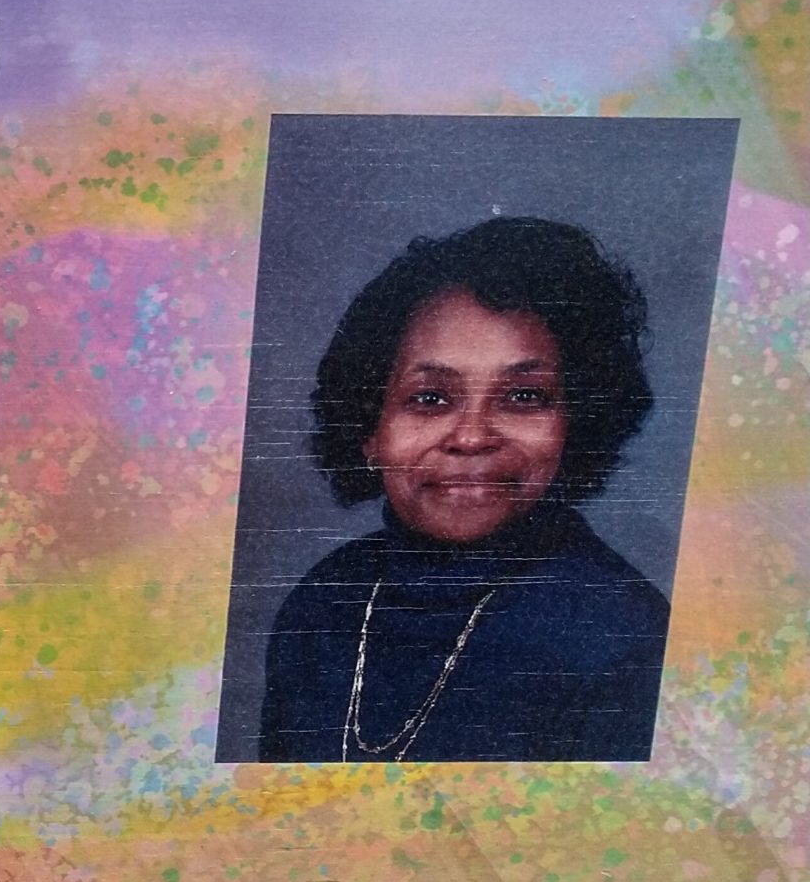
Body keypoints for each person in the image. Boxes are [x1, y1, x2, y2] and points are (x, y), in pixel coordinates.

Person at [259, 215, 671, 765]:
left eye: (524, 398)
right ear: (367, 430)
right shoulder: (323, 601)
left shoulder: (624, 639)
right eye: (430, 398)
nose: (473, 436)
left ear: (578, 424)